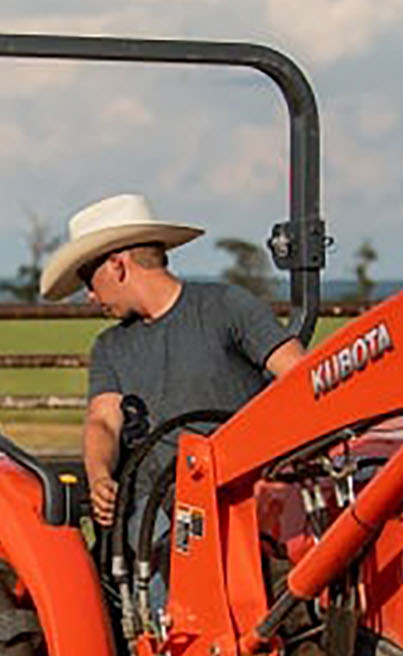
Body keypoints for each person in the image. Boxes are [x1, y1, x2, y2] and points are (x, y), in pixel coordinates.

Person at [40, 193, 305, 529]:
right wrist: (99, 477)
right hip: (155, 511)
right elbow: (103, 421)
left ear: (117, 265)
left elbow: (299, 377)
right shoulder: (110, 346)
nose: (90, 296)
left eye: (89, 280)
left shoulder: (225, 307)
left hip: (243, 498)